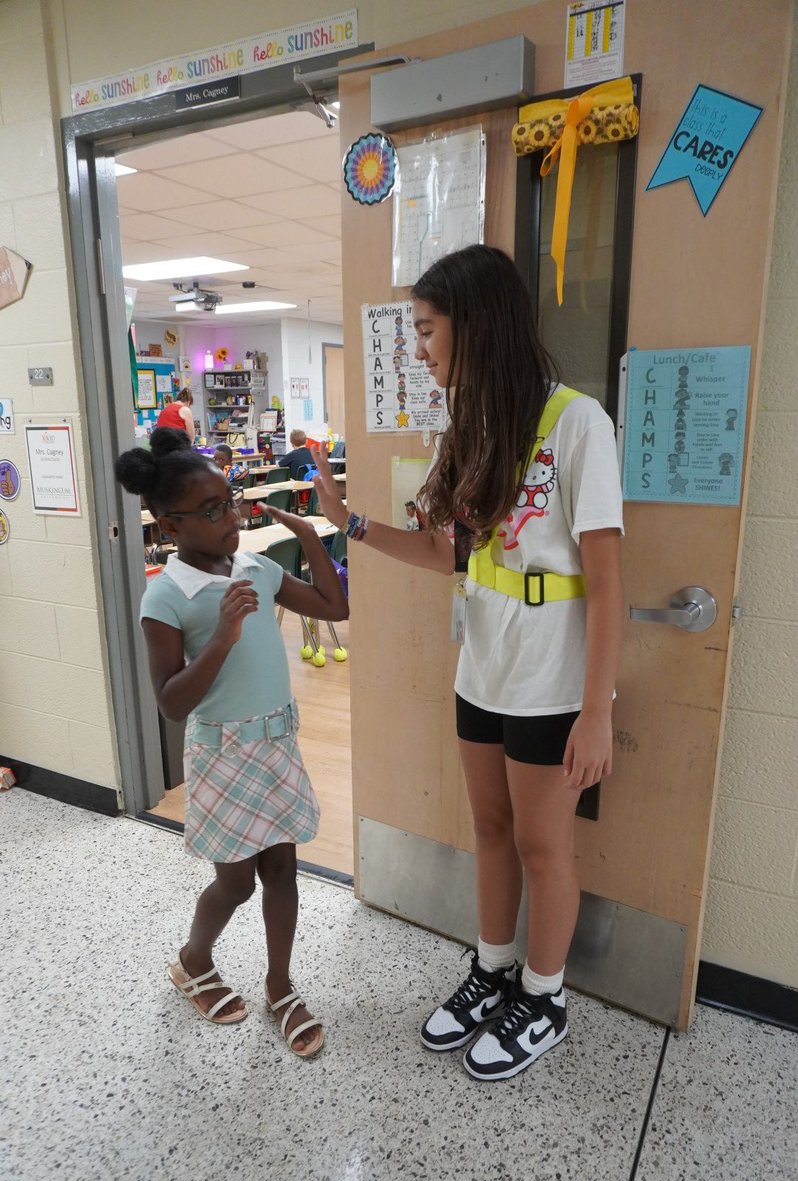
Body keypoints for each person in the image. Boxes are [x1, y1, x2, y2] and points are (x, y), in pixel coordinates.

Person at [310, 245, 623, 1082]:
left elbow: (609, 585)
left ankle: (545, 995)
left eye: (426, 330)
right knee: (489, 830)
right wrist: (355, 526)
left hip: (552, 678)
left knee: (542, 845)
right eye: (415, 332)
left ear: (473, 326)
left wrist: (598, 711)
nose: (419, 348)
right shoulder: (473, 427)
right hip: (482, 668)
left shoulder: (576, 423)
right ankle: (493, 970)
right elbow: (452, 554)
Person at [114, 427, 348, 1056]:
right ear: (170, 526)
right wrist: (220, 635)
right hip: (221, 752)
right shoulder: (167, 594)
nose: (232, 518)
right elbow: (170, 702)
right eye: (213, 511)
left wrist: (307, 537)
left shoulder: (255, 567)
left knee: (283, 870)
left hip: (276, 743)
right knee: (238, 881)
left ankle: (280, 983)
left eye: (232, 501)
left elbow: (334, 606)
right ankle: (194, 959)